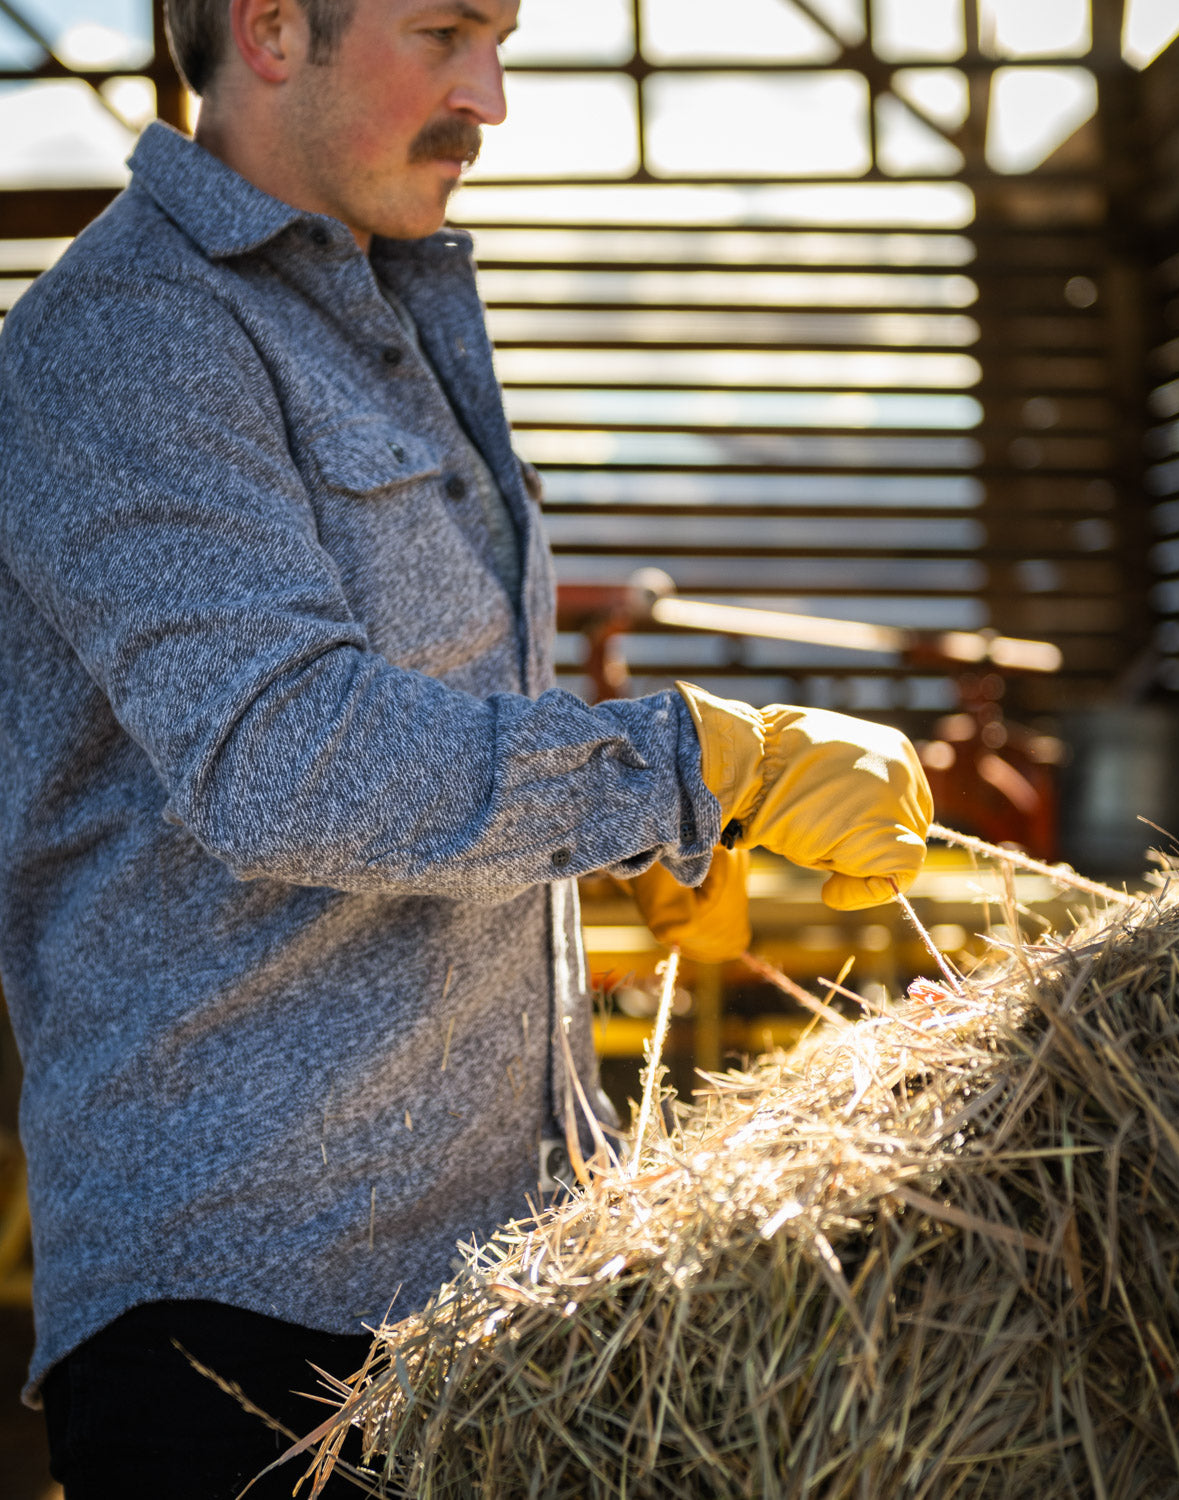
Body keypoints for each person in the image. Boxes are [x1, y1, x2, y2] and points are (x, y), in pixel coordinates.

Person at [0, 0, 933, 1494]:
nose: (488, 96)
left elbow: (421, 717)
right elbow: (283, 756)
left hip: (472, 1286)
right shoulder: (133, 339)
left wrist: (627, 847)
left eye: (499, 37)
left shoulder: (385, 313)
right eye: (443, 33)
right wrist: (692, 766)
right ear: (270, 29)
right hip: (248, 1333)